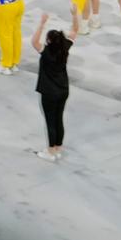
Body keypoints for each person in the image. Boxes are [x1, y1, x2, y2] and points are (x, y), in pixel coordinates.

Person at [30, 10, 72, 158]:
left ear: (48, 41)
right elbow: (75, 31)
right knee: (59, 118)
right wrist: (74, 15)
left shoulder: (46, 51)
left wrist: (41, 23)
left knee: (50, 121)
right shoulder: (64, 48)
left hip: (49, 92)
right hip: (63, 90)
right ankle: (58, 147)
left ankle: (51, 151)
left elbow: (34, 42)